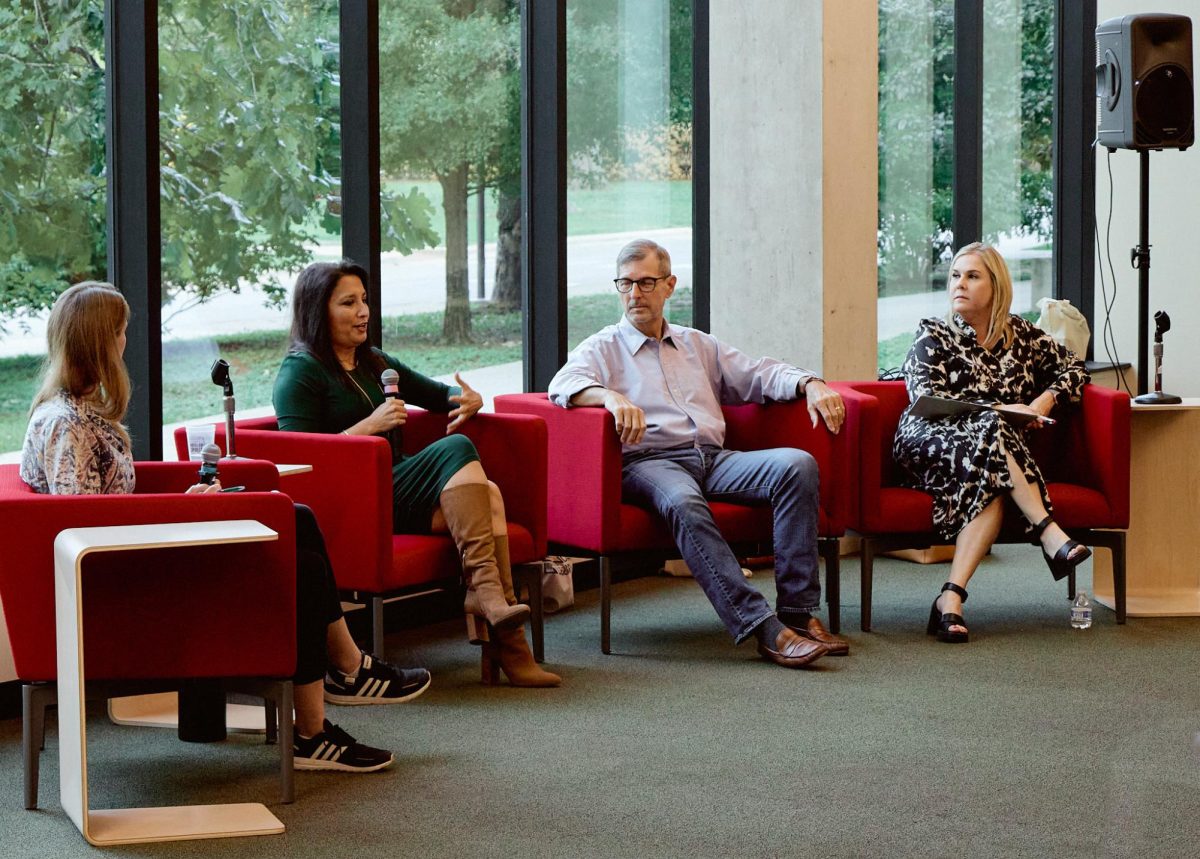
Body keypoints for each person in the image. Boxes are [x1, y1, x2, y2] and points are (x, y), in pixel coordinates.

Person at [20, 281, 426, 774]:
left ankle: (340, 683)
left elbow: (101, 509)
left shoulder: (75, 412)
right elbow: (83, 525)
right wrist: (180, 514)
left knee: (293, 518)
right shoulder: (68, 424)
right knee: (294, 559)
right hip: (118, 590)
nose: (127, 343)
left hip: (133, 564)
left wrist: (181, 504)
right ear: (102, 341)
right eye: (122, 332)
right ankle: (325, 709)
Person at [547, 238, 850, 669]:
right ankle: (764, 627)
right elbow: (562, 384)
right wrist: (609, 397)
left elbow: (758, 372)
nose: (634, 294)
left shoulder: (696, 345)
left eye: (646, 282)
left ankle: (798, 615)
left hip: (713, 458)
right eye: (625, 284)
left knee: (795, 466)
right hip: (650, 463)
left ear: (669, 285)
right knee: (683, 501)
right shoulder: (603, 348)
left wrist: (810, 383)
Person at [272, 260, 560, 688]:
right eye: (349, 303)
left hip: (397, 484)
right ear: (319, 310)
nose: (363, 311)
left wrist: (466, 399)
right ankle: (493, 608)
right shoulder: (300, 372)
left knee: (490, 495)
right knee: (457, 447)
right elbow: (303, 460)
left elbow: (436, 394)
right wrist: (368, 427)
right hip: (357, 497)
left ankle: (506, 635)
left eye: (364, 300)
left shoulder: (373, 362)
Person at [893, 242, 1091, 644]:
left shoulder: (1022, 337)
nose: (959, 284)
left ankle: (950, 599)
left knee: (994, 480)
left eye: (972, 276)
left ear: (996, 286)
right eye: (955, 276)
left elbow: (1074, 366)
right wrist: (1001, 408)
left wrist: (1043, 399)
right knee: (991, 423)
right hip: (927, 442)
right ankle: (1049, 531)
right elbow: (926, 401)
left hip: (988, 456)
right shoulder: (933, 334)